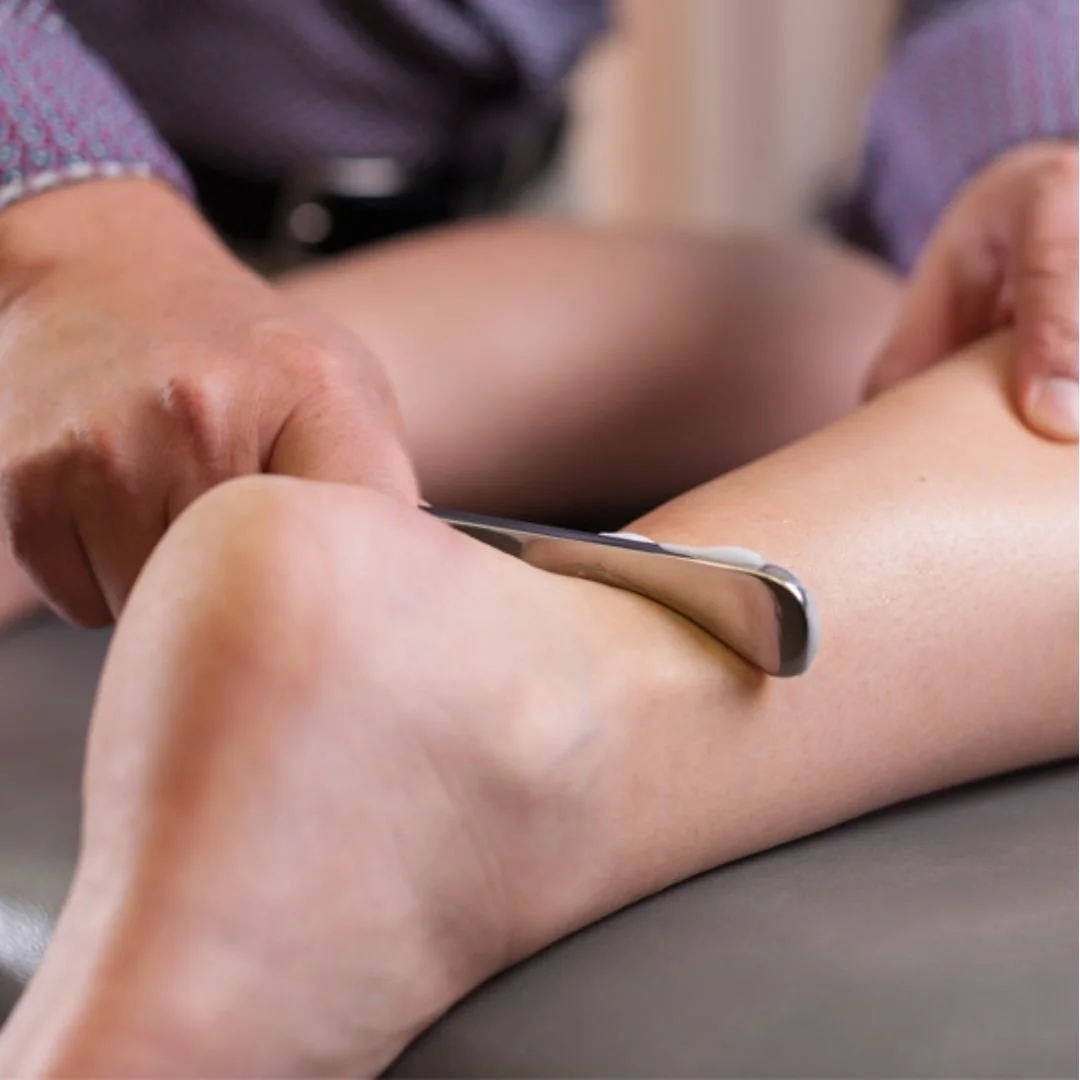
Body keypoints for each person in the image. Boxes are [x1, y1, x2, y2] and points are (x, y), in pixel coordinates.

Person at [0, 0, 1077, 630]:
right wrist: (70, 230)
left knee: (850, 333)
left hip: (489, 207)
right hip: (68, 249)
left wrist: (1030, 135)